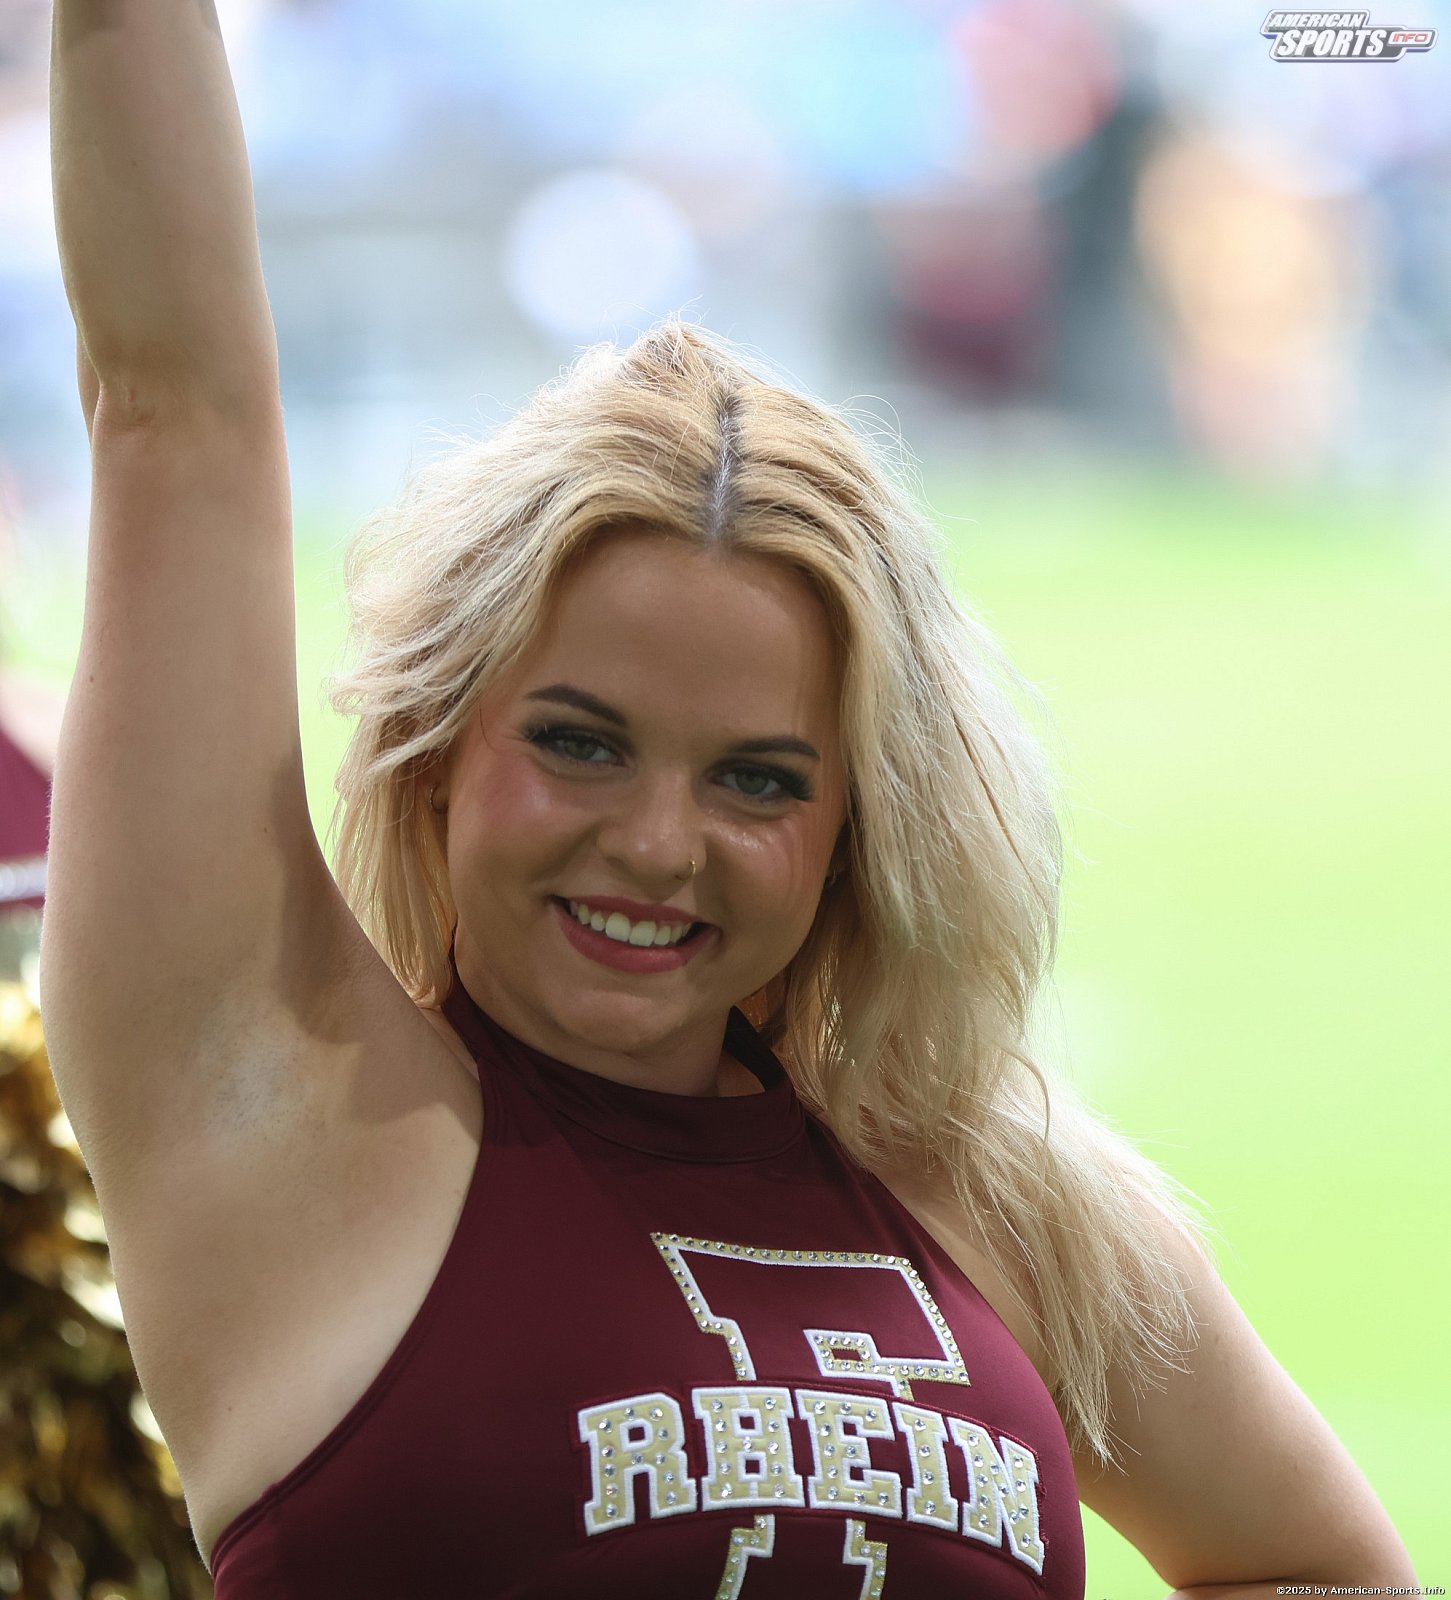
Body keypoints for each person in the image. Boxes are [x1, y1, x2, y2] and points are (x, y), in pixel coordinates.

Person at [39, 5, 1417, 1597]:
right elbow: (176, 412)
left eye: (757, 779)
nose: (655, 845)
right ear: (438, 740)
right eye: (580, 743)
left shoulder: (997, 1197)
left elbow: (1322, 1567)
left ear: (854, 837)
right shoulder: (275, 1107)